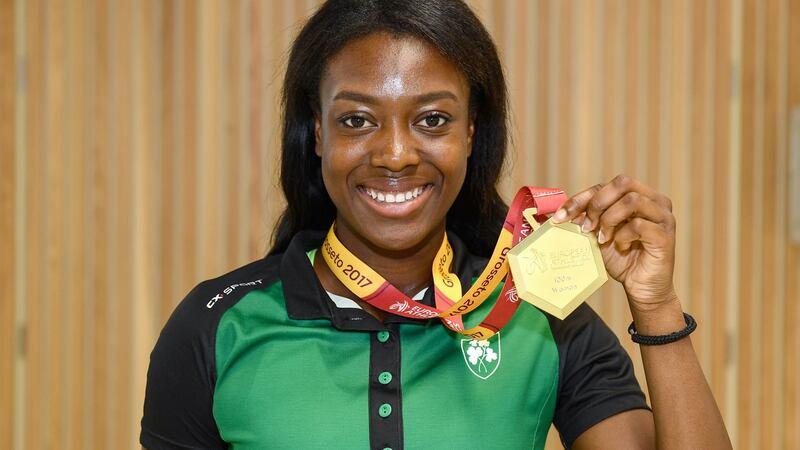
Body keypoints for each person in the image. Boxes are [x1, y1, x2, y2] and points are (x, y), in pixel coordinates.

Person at [141, 1, 732, 449]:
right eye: (356, 119)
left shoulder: (540, 319)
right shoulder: (216, 327)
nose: (395, 154)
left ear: (471, 131)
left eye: (431, 119)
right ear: (317, 133)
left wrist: (656, 306)